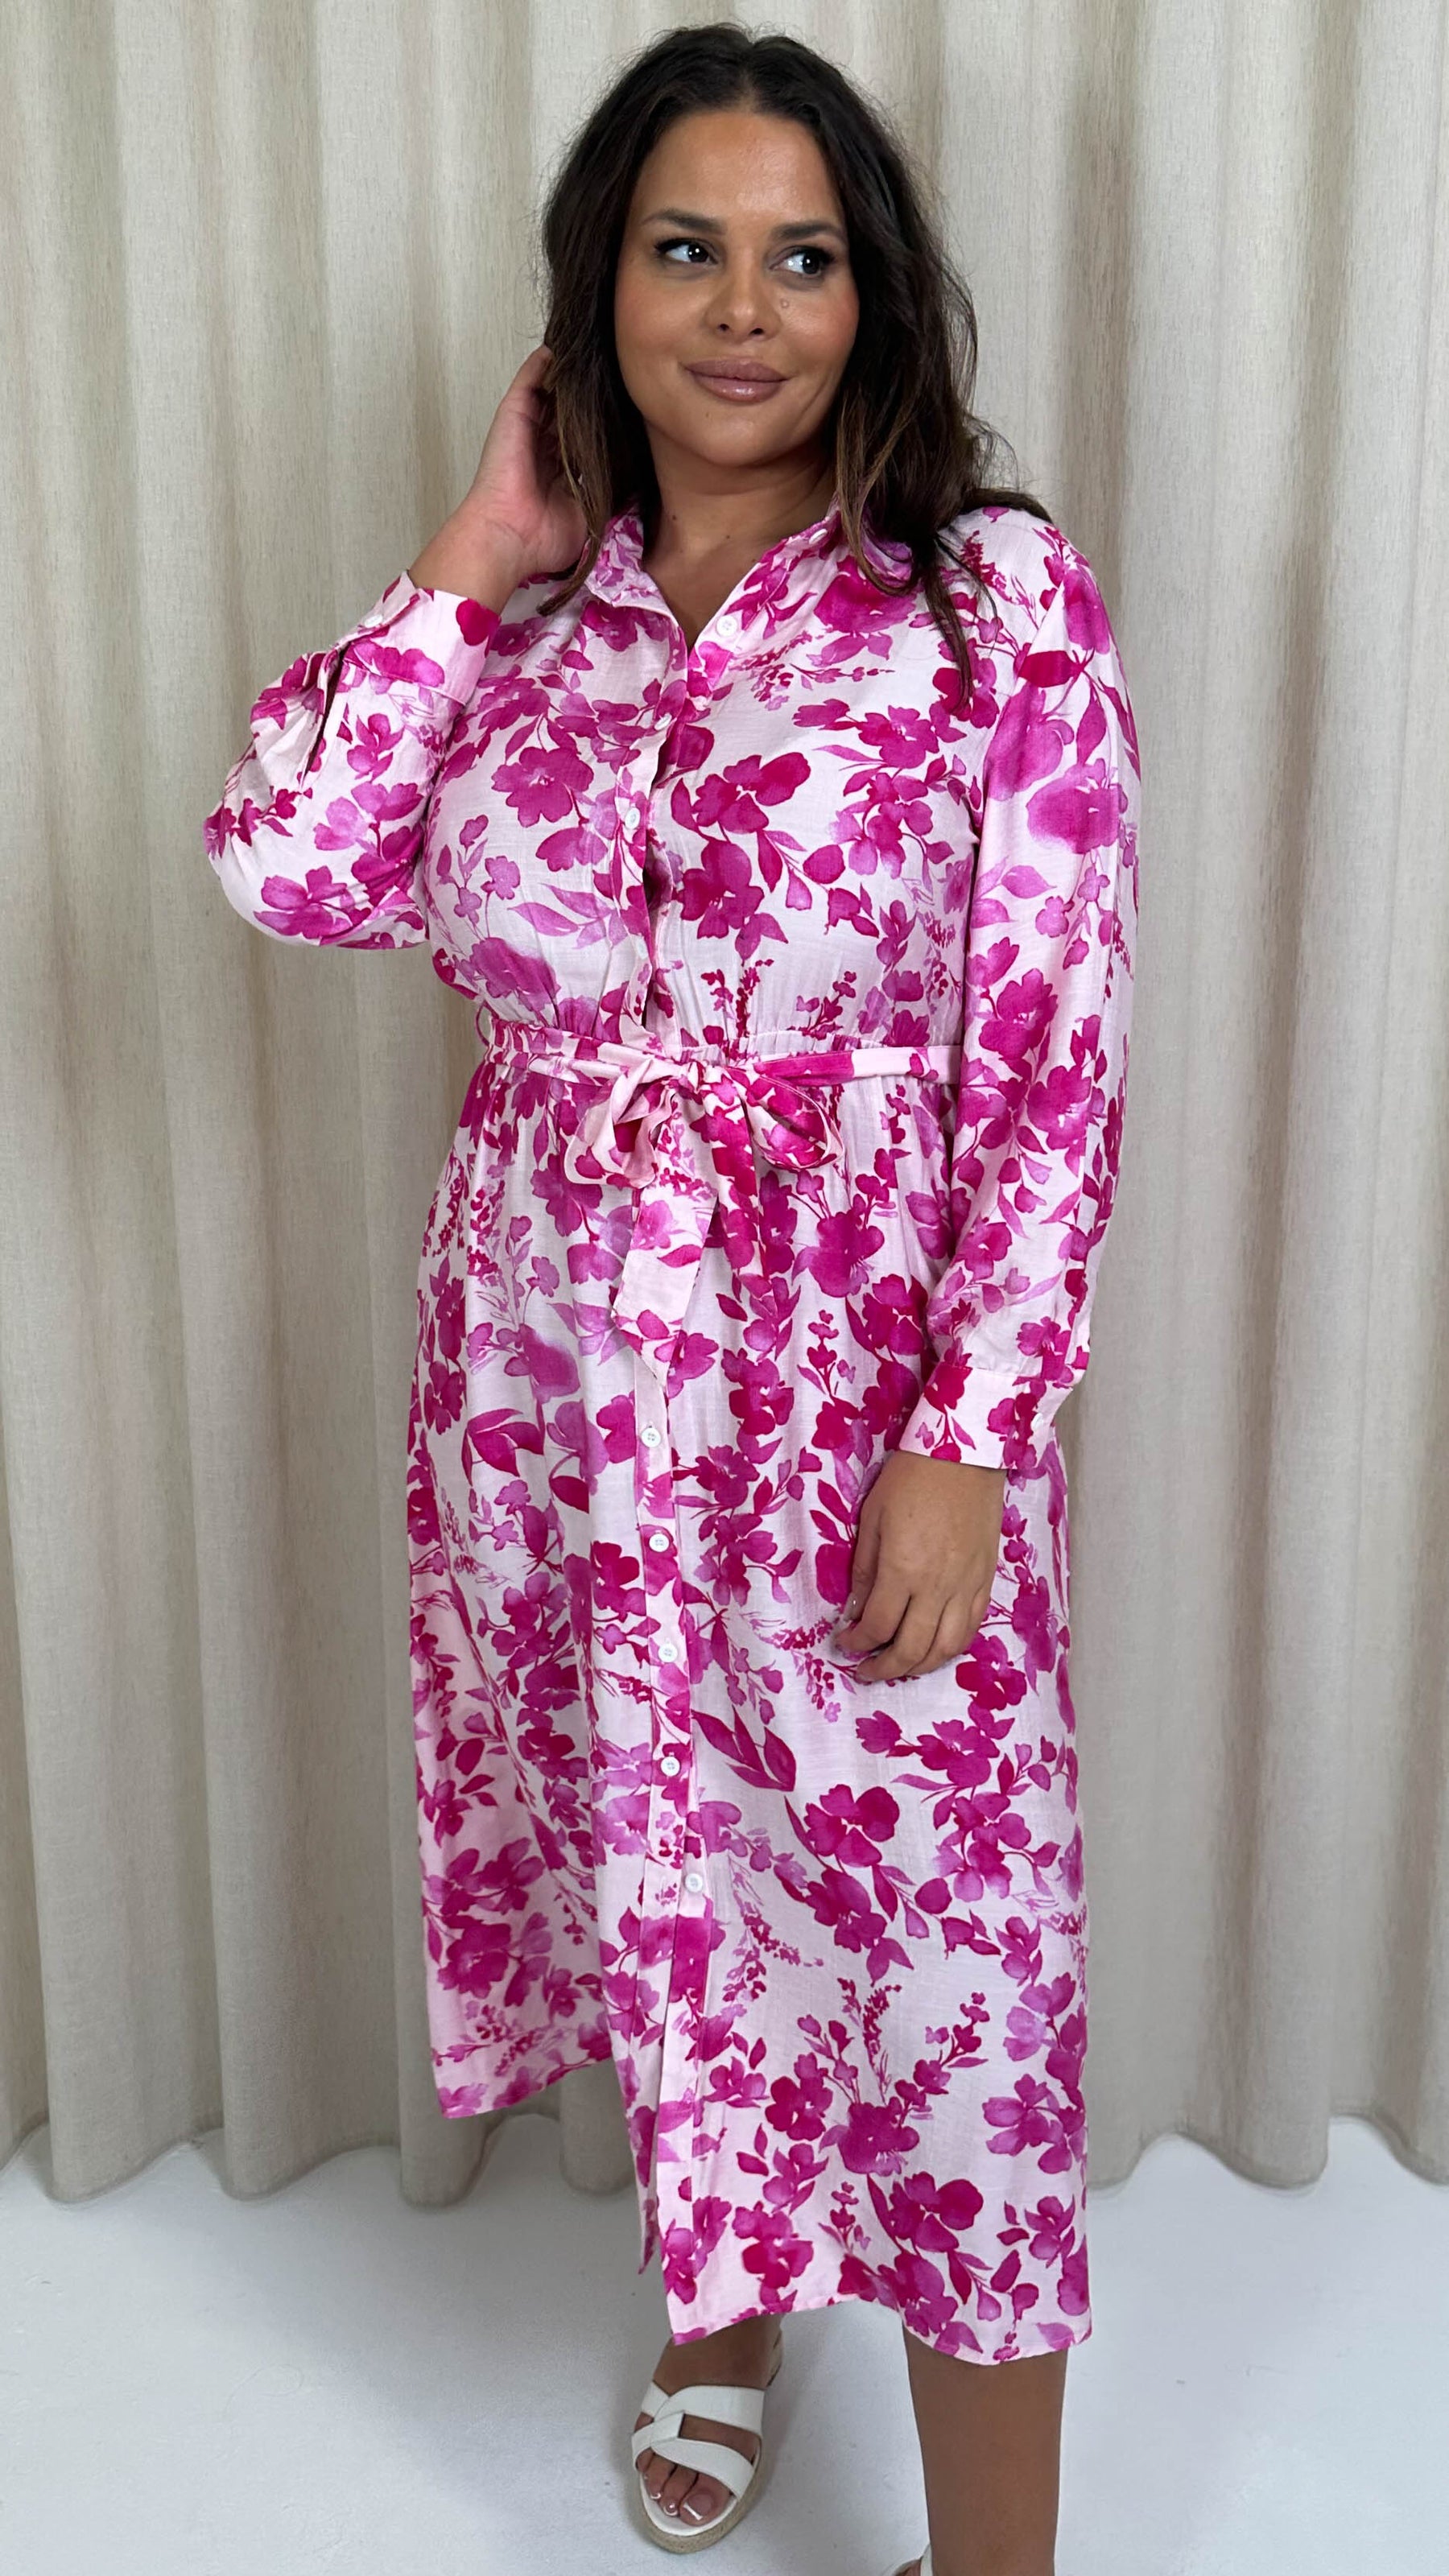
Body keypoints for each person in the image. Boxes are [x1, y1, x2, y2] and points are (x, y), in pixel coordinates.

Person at [203, 24, 1139, 2576]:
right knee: (672, 1899)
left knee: (948, 1996)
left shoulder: (987, 606)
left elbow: (1052, 1063)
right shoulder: (526, 634)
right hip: (553, 1419)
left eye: (802, 256)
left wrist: (974, 1432)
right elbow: (287, 864)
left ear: (877, 292)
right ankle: (726, 2315)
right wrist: (469, 555)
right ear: (597, 290)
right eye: (685, 249)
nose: (744, 309)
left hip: (851, 1413)